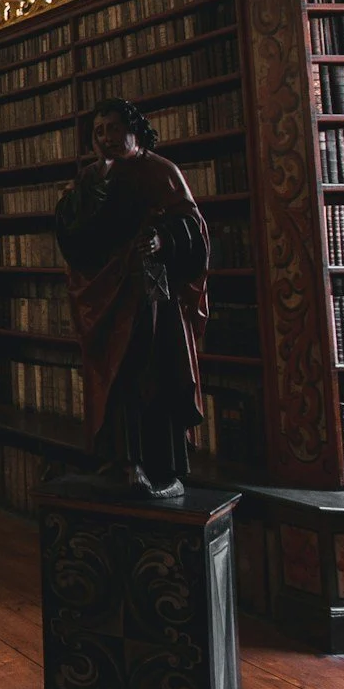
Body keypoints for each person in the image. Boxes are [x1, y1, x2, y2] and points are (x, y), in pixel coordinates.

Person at [53, 98, 209, 499]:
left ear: (134, 129)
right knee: (115, 376)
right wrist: (81, 197)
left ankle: (163, 466)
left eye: (113, 129)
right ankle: (123, 461)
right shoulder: (91, 178)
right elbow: (74, 234)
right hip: (107, 293)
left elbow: (193, 226)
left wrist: (164, 238)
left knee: (153, 369)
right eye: (98, 132)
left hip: (152, 287)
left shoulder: (160, 171)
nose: (106, 138)